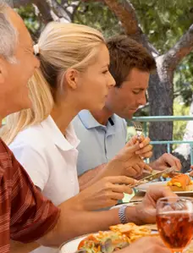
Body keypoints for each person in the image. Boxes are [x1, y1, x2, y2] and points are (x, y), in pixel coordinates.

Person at [0, 2, 175, 253]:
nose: (37, 66)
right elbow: (22, 246)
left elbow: (46, 226)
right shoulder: (31, 144)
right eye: (29, 54)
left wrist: (130, 214)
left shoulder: (15, 152)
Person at [0, 22, 153, 208]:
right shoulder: (31, 146)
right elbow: (27, 234)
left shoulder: (66, 135)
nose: (111, 81)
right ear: (72, 78)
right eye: (104, 71)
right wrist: (124, 213)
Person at [72, 35, 181, 189]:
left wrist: (154, 169)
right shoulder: (68, 126)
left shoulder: (119, 124)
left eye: (144, 92)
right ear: (109, 83)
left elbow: (116, 177)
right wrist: (116, 164)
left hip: (115, 213)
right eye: (136, 91)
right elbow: (58, 199)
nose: (143, 101)